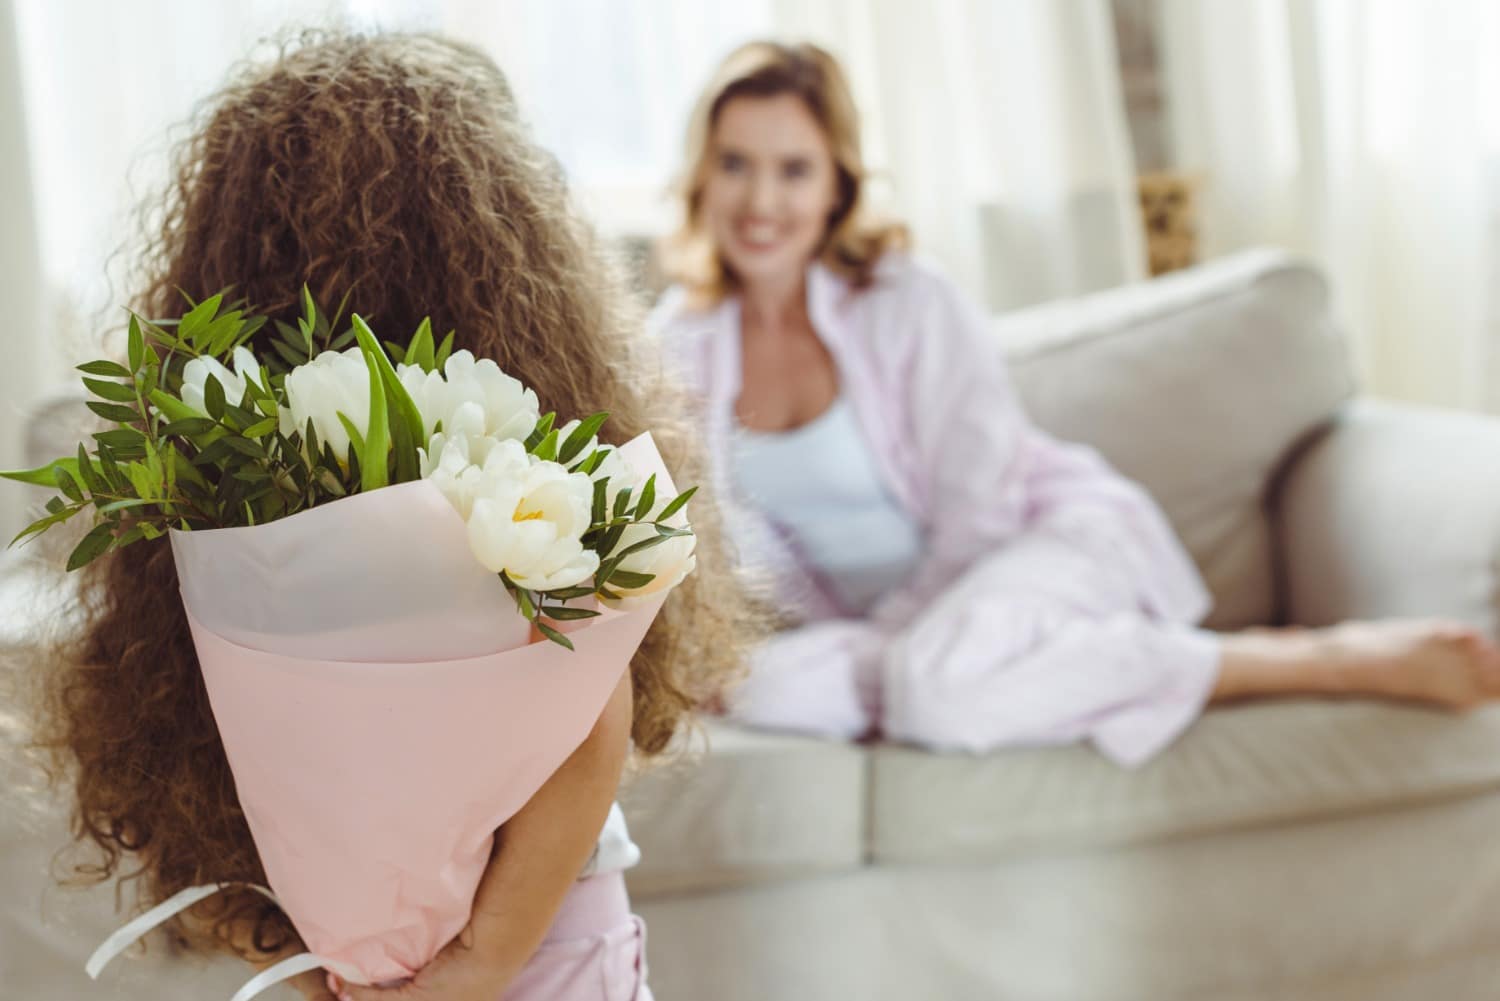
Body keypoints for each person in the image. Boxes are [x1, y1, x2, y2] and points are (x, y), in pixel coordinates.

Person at [27, 31, 748, 1001]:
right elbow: (590, 715)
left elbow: (196, 730)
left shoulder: (221, 477)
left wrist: (323, 949)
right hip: (539, 931)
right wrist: (446, 957)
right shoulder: (514, 420)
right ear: (502, 231)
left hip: (416, 952)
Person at [651, 39, 1500, 769]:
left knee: (934, 692)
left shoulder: (908, 302)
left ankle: (1304, 660)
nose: (762, 202)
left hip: (1028, 554)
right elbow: (714, 562)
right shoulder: (680, 344)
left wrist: (898, 650)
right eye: (737, 164)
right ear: (703, 174)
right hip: (902, 636)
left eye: (793, 169)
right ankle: (981, 672)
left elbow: (981, 513)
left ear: (836, 183)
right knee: (758, 685)